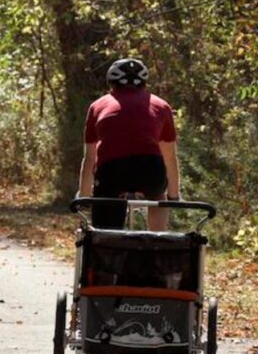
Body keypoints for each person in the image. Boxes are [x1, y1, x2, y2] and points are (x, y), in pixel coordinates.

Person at [77, 58, 180, 231]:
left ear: (111, 83)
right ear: (144, 83)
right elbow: (169, 158)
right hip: (150, 169)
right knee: (158, 197)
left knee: (105, 230)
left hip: (112, 171)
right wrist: (174, 196)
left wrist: (85, 197)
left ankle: (108, 241)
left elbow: (90, 158)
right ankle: (158, 239)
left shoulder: (97, 106)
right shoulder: (161, 106)